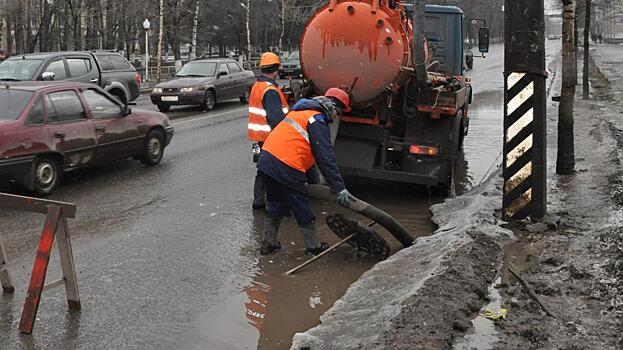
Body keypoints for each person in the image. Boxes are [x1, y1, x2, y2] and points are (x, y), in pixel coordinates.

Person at [257, 87, 355, 256]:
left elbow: (302, 148)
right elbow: (325, 157)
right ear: (335, 107)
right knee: (301, 206)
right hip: (286, 164)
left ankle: (268, 244)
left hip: (267, 160)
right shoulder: (317, 119)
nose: (338, 116)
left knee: (275, 203)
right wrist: (339, 188)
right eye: (339, 113)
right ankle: (313, 247)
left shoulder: (301, 111)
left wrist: (315, 180)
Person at [248, 52, 290, 210]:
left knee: (262, 167)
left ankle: (258, 201)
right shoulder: (270, 90)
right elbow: (275, 118)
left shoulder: (257, 85)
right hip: (270, 137)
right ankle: (272, 203)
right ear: (276, 69)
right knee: (274, 169)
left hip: (257, 137)